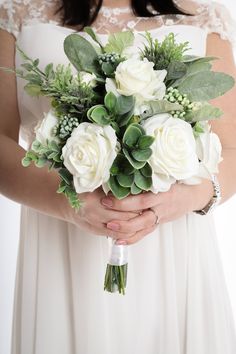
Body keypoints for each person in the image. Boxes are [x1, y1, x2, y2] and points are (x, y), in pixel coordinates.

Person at [0, 0, 236, 353]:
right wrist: (66, 202)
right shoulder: (18, 12)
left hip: (172, 255)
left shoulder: (205, 15)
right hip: (59, 252)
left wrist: (181, 200)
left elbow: (231, 149)